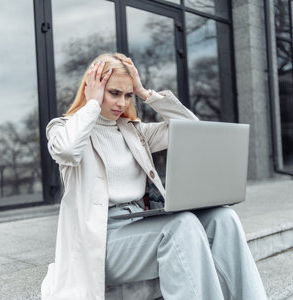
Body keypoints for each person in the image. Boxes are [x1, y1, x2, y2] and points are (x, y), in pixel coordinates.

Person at [41, 53, 266, 300]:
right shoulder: (64, 128)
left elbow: (191, 128)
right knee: (181, 226)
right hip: (102, 240)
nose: (122, 103)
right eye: (114, 93)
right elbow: (67, 150)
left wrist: (145, 93)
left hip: (140, 221)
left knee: (224, 218)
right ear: (93, 88)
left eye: (127, 96)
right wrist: (92, 104)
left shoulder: (134, 131)